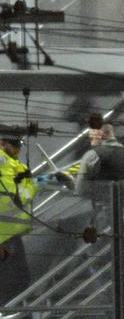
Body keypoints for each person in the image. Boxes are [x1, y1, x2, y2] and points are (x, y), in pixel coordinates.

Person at [0, 129, 38, 304]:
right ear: (3, 144)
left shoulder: (16, 166)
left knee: (16, 283)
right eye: (14, 145)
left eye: (19, 146)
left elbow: (24, 192)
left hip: (11, 235)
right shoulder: (5, 164)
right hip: (5, 236)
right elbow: (15, 195)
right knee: (14, 284)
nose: (18, 150)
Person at [76, 124, 124, 207]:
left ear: (100, 135)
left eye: (92, 138)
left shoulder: (92, 155)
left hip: (105, 209)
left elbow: (81, 189)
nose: (91, 142)